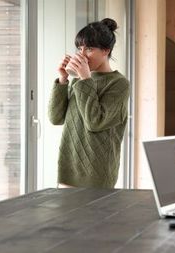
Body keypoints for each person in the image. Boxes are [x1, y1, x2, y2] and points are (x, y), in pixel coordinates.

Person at [48, 18, 130, 189]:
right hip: (68, 170)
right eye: (80, 48)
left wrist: (85, 78)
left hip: (97, 174)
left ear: (106, 51)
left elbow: (95, 122)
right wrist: (63, 79)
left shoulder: (119, 84)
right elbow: (56, 118)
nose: (82, 54)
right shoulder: (79, 81)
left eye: (90, 49)